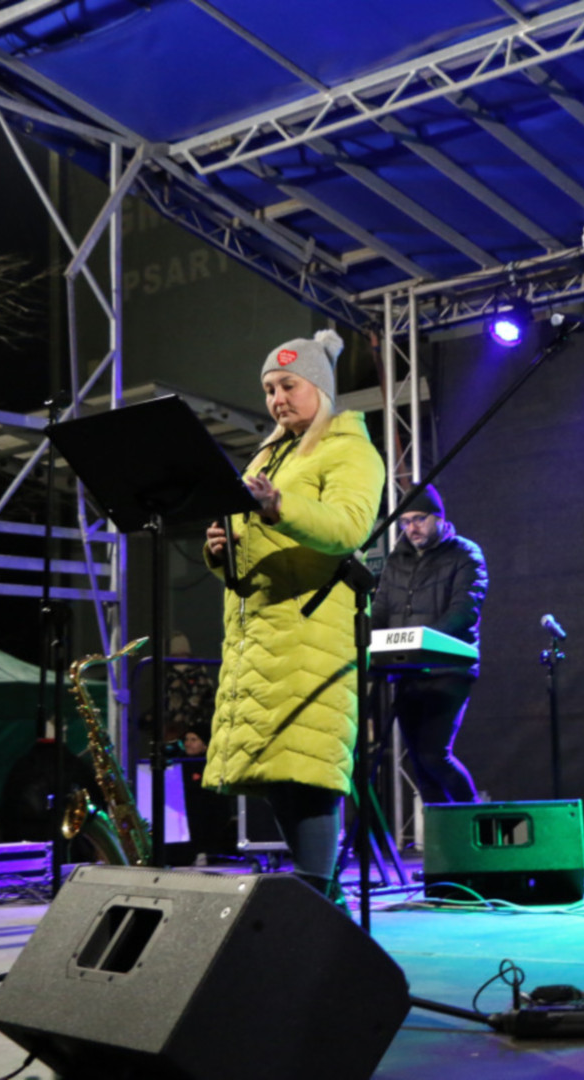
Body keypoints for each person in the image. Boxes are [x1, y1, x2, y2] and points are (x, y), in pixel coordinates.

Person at [203, 328, 386, 899]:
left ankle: (316, 900)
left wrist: (281, 506)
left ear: (320, 387)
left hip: (310, 632)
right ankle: (319, 901)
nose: (277, 399)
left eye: (288, 385)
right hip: (260, 637)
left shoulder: (349, 449)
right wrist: (221, 551)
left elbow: (348, 526)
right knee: (280, 774)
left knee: (307, 769)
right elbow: (254, 551)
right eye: (268, 389)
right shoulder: (268, 454)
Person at [371, 483, 487, 805]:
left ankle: (474, 818)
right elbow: (380, 610)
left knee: (434, 755)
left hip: (449, 671)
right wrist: (368, 641)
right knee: (420, 766)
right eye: (405, 521)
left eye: (419, 519)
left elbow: (463, 612)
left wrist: (420, 644)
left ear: (439, 518)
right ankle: (443, 836)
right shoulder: (397, 559)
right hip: (408, 673)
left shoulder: (466, 554)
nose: (412, 528)